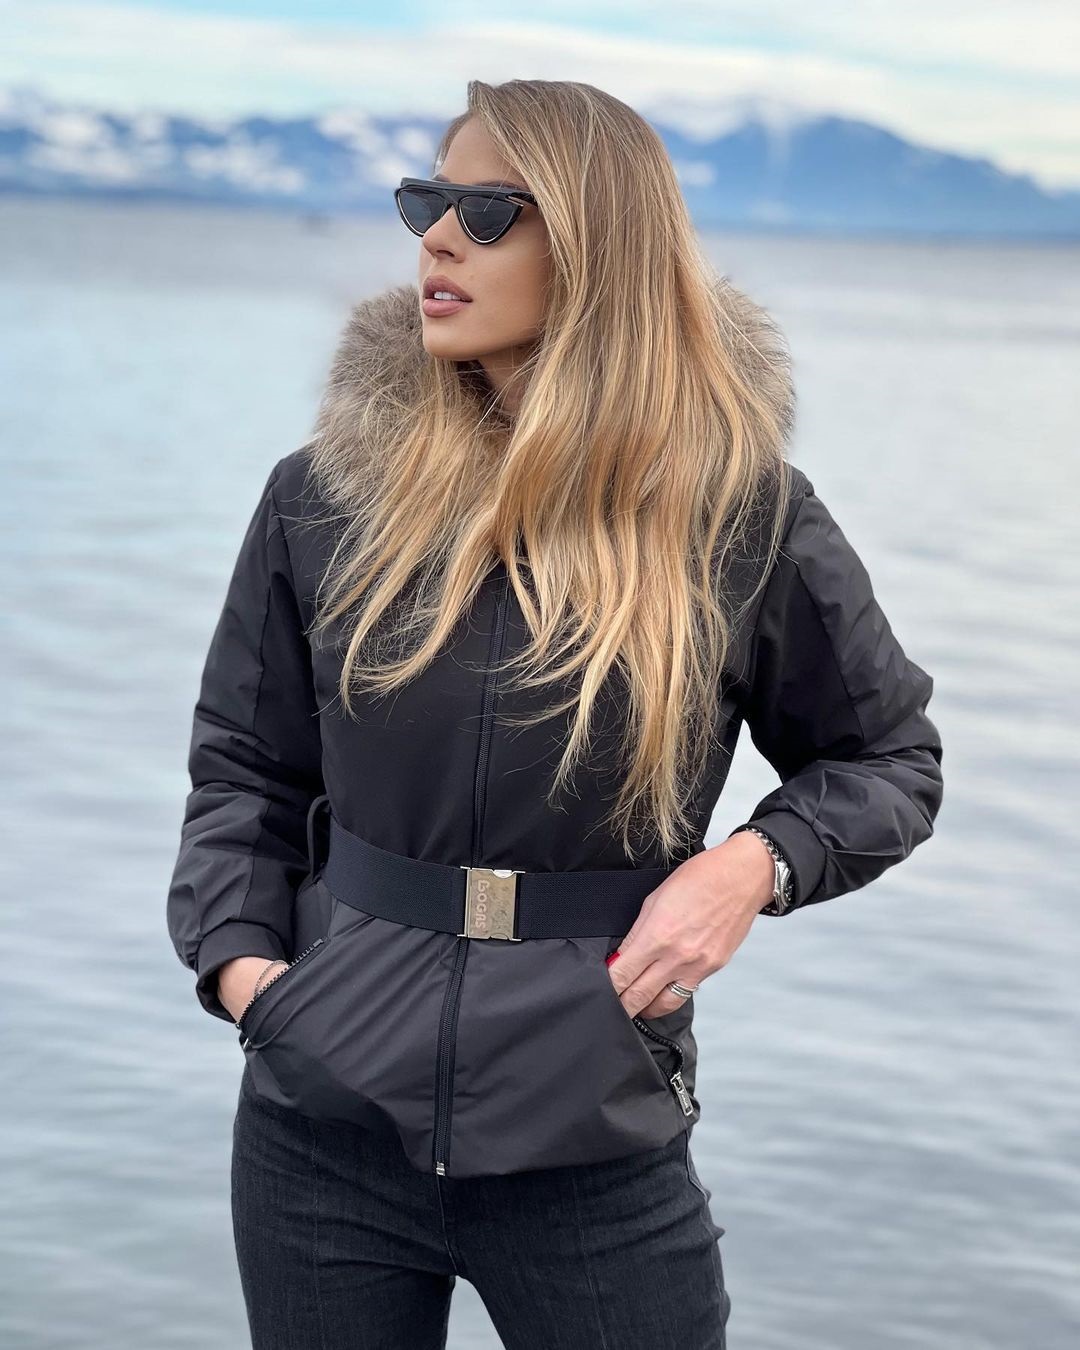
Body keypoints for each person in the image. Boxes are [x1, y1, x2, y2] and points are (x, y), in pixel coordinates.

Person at [166, 78, 944, 1350]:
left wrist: (752, 867)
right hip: (320, 1130)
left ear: (597, 246)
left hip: (593, 1141)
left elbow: (888, 757)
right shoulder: (322, 498)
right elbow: (245, 771)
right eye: (427, 201)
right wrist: (251, 978)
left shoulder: (740, 514)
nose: (436, 238)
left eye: (486, 212)